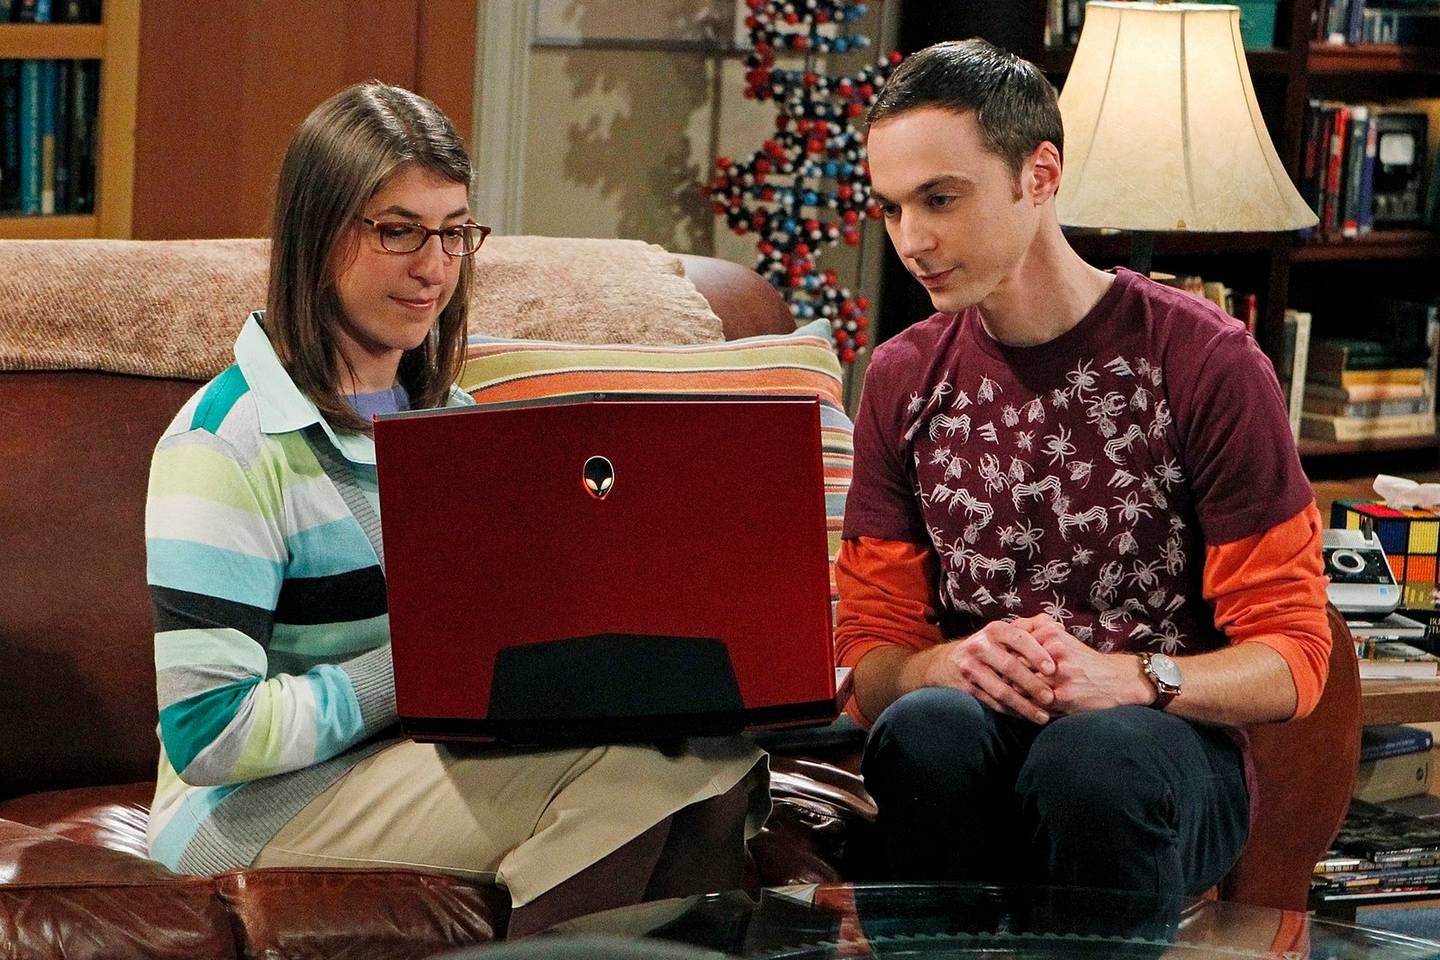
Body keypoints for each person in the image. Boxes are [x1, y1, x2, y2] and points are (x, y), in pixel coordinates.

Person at [143, 81, 767, 936]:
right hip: (249, 804)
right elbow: (210, 733)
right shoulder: (225, 445)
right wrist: (423, 670)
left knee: (717, 755)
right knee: (640, 781)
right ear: (317, 235)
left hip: (417, 758)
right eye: (399, 230)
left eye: (454, 232)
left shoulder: (455, 426)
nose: (433, 266)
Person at [834, 39, 1331, 900]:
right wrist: (942, 666)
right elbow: (866, 655)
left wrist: (1134, 678)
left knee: (1091, 762)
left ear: (1040, 174)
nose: (913, 239)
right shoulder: (902, 375)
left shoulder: (1204, 361)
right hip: (980, 732)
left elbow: (1295, 656)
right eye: (892, 208)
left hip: (1162, 749)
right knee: (924, 731)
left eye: (941, 199)